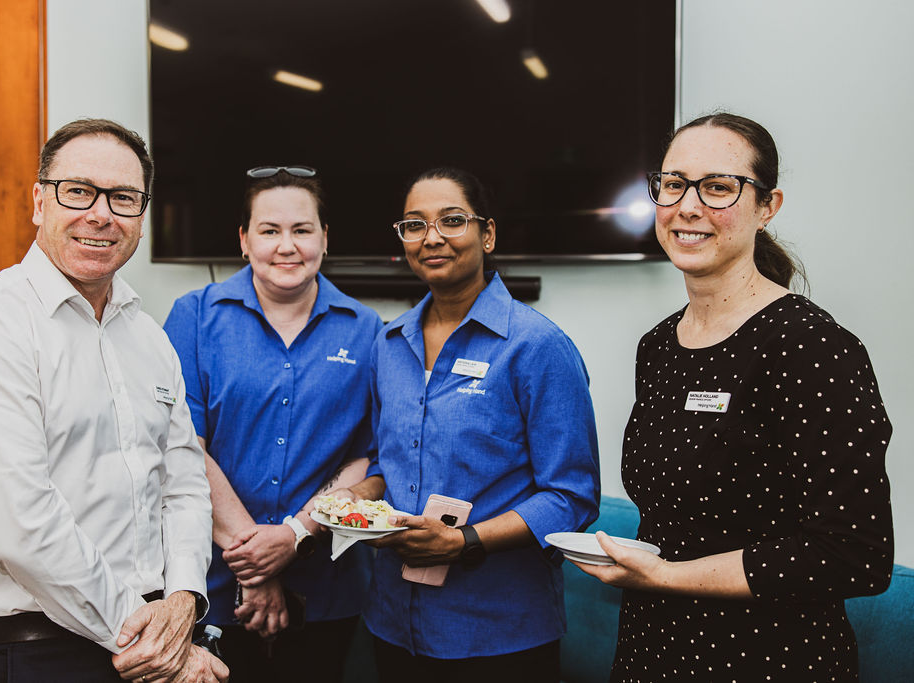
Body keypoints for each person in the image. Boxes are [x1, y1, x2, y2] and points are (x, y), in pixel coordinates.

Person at [572, 113, 893, 682]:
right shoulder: (658, 347)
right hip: (653, 649)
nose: (687, 207)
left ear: (767, 206)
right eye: (673, 184)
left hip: (770, 659)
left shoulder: (812, 346)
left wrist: (665, 576)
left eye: (718, 187)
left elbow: (854, 556)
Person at [0, 118, 228, 683]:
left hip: (152, 637)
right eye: (78, 191)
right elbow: (23, 524)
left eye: (124, 198)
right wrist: (154, 643)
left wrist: (184, 601)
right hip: (31, 656)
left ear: (142, 214)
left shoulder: (149, 337)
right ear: (39, 202)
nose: (101, 214)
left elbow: (182, 484)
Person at [335, 167, 600, 682]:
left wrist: (466, 541)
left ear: (488, 234)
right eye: (414, 225)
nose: (431, 237)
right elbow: (387, 461)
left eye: (451, 220)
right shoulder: (388, 345)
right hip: (393, 623)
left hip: (498, 634)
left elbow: (572, 495)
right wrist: (357, 499)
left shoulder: (536, 346)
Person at [163, 166, 383, 682]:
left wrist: (293, 536)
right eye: (269, 230)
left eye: (302, 230)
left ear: (325, 239)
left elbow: (368, 458)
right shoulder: (193, 317)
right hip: (209, 587)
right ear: (244, 240)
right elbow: (181, 447)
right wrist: (255, 561)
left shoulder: (368, 330)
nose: (287, 246)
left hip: (326, 588)